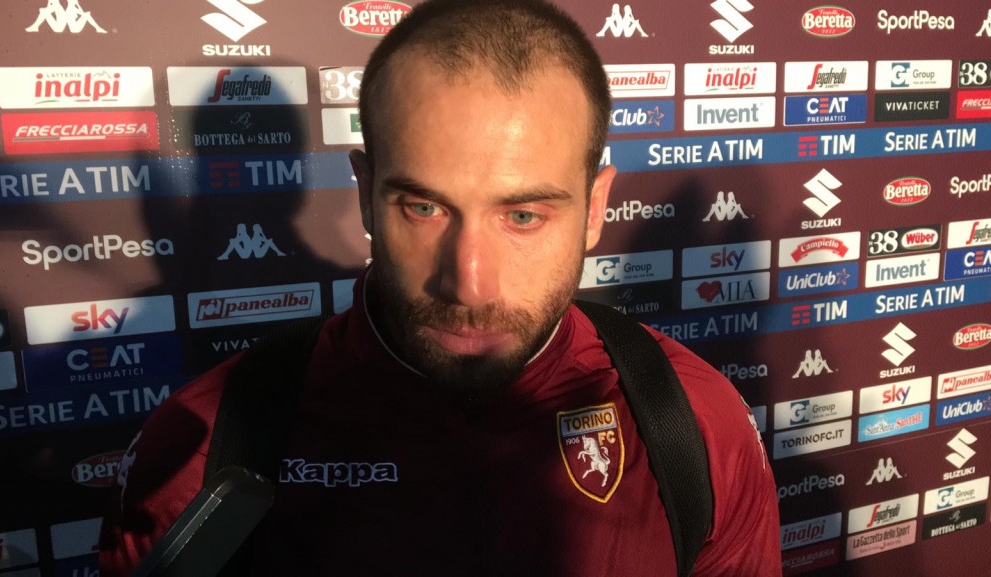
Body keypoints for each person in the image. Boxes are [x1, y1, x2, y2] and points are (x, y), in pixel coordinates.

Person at [98, 1, 781, 575]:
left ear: (596, 207)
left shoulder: (694, 423)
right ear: (366, 193)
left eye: (523, 215)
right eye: (423, 208)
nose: (469, 283)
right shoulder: (207, 445)